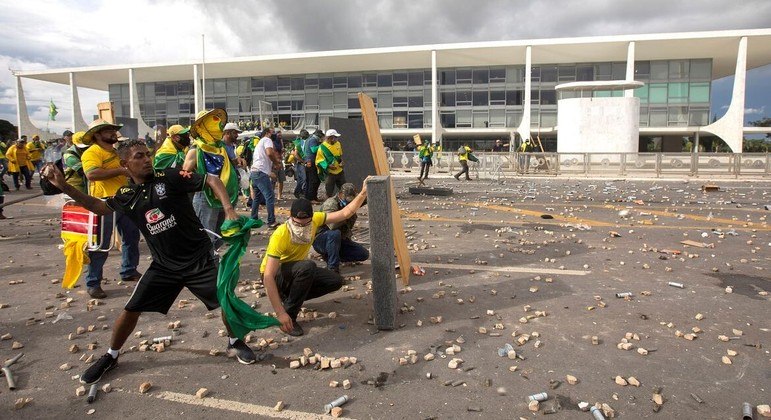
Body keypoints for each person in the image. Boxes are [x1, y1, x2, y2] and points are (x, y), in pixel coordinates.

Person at [42, 139, 266, 385]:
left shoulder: (169, 176)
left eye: (147, 154)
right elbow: (97, 206)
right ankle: (111, 355)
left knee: (225, 300)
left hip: (199, 259)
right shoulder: (126, 195)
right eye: (139, 156)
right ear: (124, 163)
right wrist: (63, 185)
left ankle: (234, 342)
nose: (147, 159)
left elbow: (212, 180)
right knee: (131, 309)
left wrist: (229, 209)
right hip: (164, 266)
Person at [260, 184, 368, 336]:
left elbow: (345, 213)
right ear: (290, 217)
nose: (301, 227)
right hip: (276, 275)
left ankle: (290, 298)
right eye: (297, 223)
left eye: (306, 223)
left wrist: (363, 192)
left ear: (312, 218)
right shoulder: (280, 235)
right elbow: (268, 275)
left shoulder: (316, 220)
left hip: (296, 271)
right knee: (307, 267)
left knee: (335, 280)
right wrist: (280, 313)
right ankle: (289, 316)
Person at [81, 119, 142, 298]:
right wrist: (121, 171)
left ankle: (129, 270)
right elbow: (92, 174)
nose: (113, 133)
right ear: (98, 135)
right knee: (101, 243)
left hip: (124, 199)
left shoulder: (115, 152)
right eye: (108, 131)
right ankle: (93, 282)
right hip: (103, 202)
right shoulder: (92, 152)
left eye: (113, 130)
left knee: (131, 236)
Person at [183, 109, 240, 251]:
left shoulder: (220, 148)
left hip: (223, 196)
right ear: (203, 127)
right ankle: (206, 265)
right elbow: (184, 175)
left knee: (221, 234)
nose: (218, 126)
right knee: (206, 235)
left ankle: (211, 259)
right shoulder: (196, 150)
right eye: (213, 122)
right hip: (205, 197)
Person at [312, 183, 369, 273]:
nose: (350, 202)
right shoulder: (330, 204)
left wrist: (368, 189)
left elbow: (363, 199)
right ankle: (333, 268)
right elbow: (333, 225)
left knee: (363, 254)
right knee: (335, 234)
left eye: (352, 200)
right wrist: (347, 213)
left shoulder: (350, 201)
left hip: (340, 239)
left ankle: (332, 255)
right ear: (341, 194)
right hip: (322, 238)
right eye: (348, 199)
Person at [250, 127, 281, 228]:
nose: (274, 134)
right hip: (260, 172)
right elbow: (269, 153)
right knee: (270, 196)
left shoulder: (259, 143)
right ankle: (271, 221)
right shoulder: (267, 140)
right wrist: (276, 163)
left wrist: (269, 171)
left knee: (257, 197)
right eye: (272, 132)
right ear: (267, 133)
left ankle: (253, 219)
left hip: (255, 171)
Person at [316, 129, 345, 199]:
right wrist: (328, 166)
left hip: (340, 171)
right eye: (335, 137)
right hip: (330, 173)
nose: (337, 139)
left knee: (344, 189)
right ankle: (328, 205)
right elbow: (319, 161)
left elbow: (339, 155)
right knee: (329, 191)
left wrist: (342, 162)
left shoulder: (338, 144)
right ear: (330, 138)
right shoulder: (322, 148)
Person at [302, 129, 322, 202]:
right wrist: (321, 145)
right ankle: (311, 198)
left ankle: (310, 197)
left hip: (308, 161)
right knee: (313, 180)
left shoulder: (309, 139)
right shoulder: (313, 140)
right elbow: (313, 150)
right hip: (311, 162)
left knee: (310, 180)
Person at [290, 130, 309, 199]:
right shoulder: (298, 144)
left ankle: (300, 192)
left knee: (301, 179)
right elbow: (295, 154)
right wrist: (302, 161)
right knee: (303, 179)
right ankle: (298, 192)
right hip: (300, 164)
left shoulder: (298, 143)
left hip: (299, 163)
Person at [272, 131, 286, 200]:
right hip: (274, 162)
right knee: (273, 180)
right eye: (278, 133)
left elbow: (281, 151)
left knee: (281, 179)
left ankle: (279, 195)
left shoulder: (280, 142)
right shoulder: (272, 142)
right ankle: (272, 195)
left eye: (280, 133)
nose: (280, 134)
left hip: (280, 161)